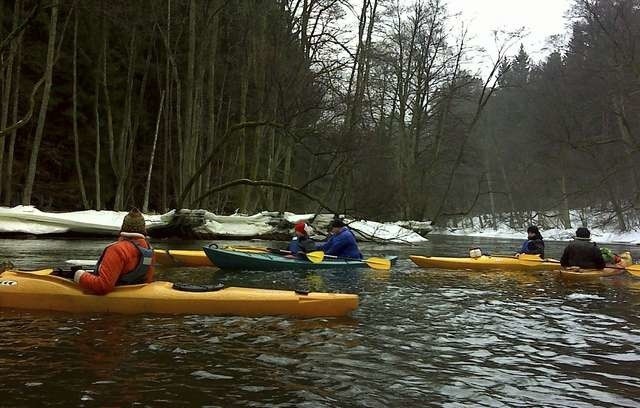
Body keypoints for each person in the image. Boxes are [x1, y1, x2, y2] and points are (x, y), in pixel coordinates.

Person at [73, 208, 155, 295]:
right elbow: (147, 281)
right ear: (143, 229)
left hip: (116, 298)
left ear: (123, 227)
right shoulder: (149, 250)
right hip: (135, 295)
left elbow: (103, 286)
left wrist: (80, 275)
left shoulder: (117, 250)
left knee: (80, 274)